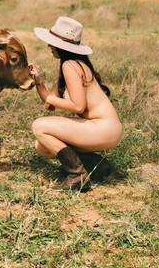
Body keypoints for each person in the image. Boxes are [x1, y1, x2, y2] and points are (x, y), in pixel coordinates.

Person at [28, 16, 122, 192]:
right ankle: (97, 165)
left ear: (61, 46)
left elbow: (78, 106)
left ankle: (77, 175)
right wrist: (38, 81)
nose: (49, 46)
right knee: (41, 146)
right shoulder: (71, 65)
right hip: (104, 129)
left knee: (39, 126)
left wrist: (51, 99)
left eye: (51, 42)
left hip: (103, 128)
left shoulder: (70, 66)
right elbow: (49, 104)